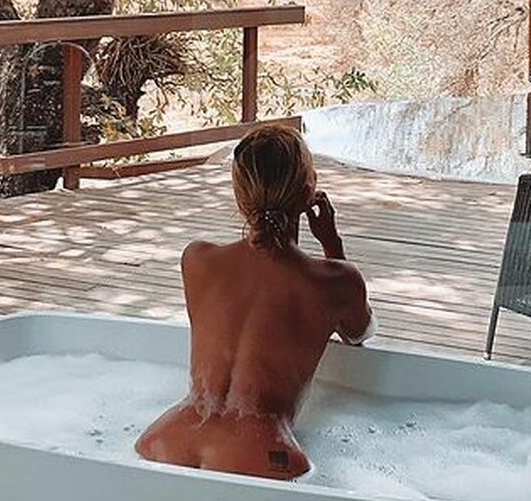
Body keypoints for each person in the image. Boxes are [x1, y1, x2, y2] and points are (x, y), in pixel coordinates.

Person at [135, 123, 375, 481]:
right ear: (309, 191)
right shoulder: (334, 281)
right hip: (266, 454)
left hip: (165, 440)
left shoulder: (196, 259)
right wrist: (332, 247)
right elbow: (359, 333)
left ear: (239, 195)